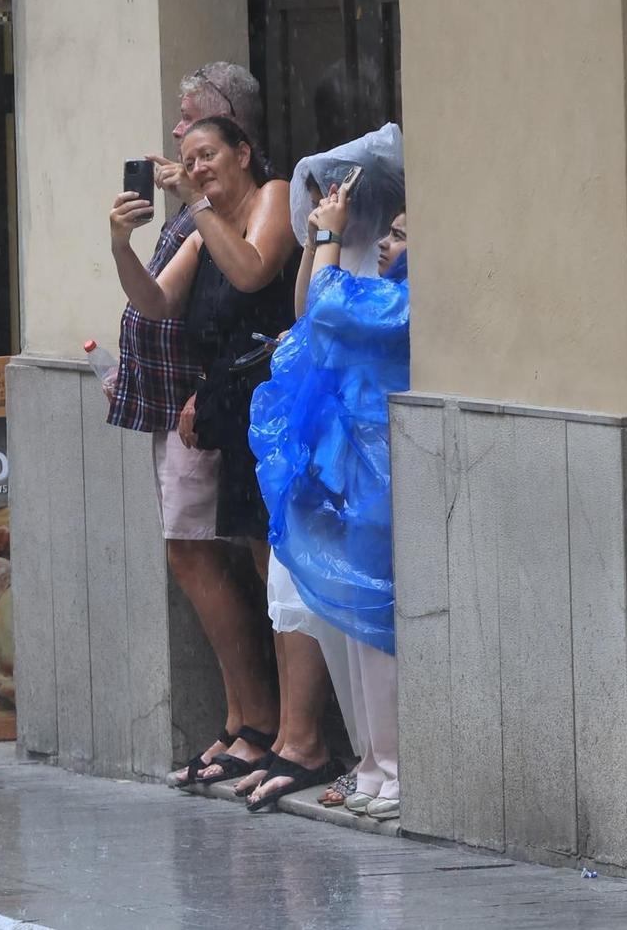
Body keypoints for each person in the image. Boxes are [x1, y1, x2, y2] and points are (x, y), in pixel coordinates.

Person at [111, 113, 309, 788]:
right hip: (235, 414)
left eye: (207, 155)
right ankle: (275, 730)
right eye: (188, 159)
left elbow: (252, 272)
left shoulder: (272, 196)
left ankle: (297, 735)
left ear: (244, 153)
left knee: (283, 571)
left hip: (279, 406)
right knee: (261, 566)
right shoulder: (205, 226)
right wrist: (121, 246)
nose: (195, 168)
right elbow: (155, 301)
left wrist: (195, 203)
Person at [250, 182, 409, 819]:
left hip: (382, 477)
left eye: (400, 235)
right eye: (387, 232)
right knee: (358, 625)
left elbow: (325, 305)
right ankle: (374, 760)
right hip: (360, 476)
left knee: (377, 624)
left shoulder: (402, 301)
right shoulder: (387, 293)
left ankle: (395, 768)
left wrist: (329, 237)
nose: (387, 244)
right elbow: (312, 318)